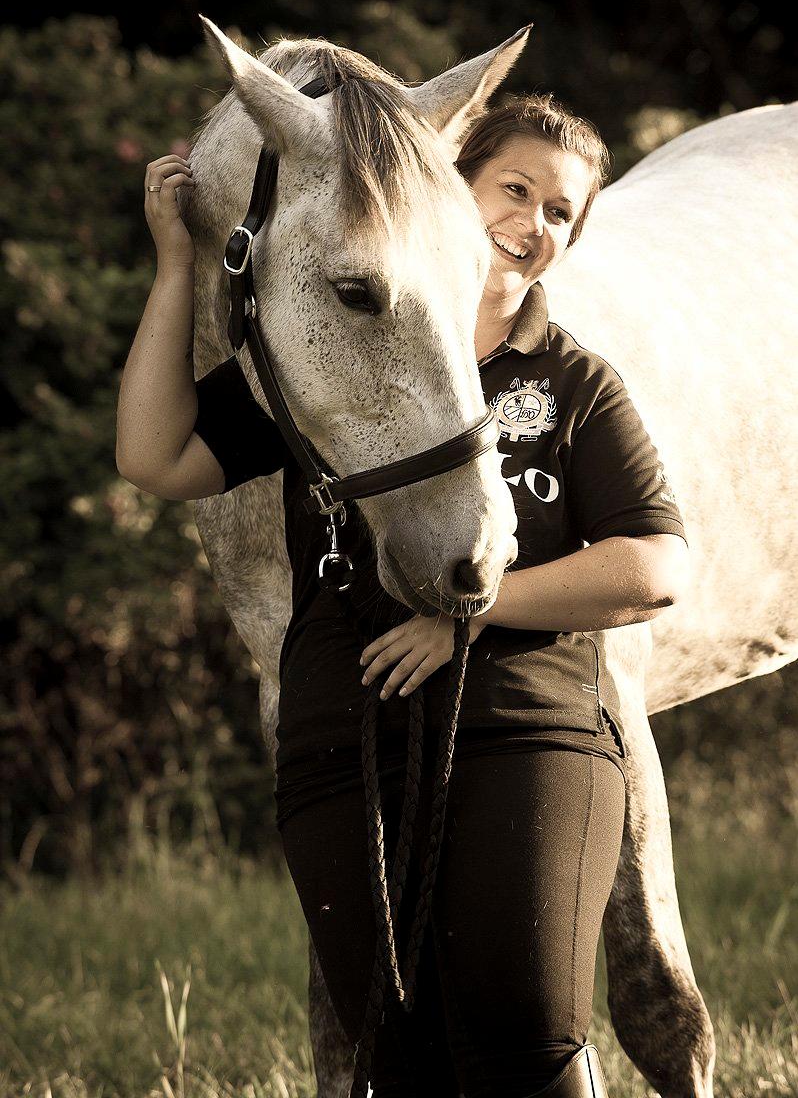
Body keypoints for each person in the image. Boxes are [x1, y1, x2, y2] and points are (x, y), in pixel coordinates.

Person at [117, 92, 690, 1098]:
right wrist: (175, 267)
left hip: (525, 725)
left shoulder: (569, 382)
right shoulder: (329, 350)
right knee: (398, 1060)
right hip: (348, 744)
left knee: (527, 1042)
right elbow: (153, 457)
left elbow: (653, 567)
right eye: (515, 189)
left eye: (563, 213)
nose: (535, 224)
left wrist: (472, 607)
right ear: (446, 187)